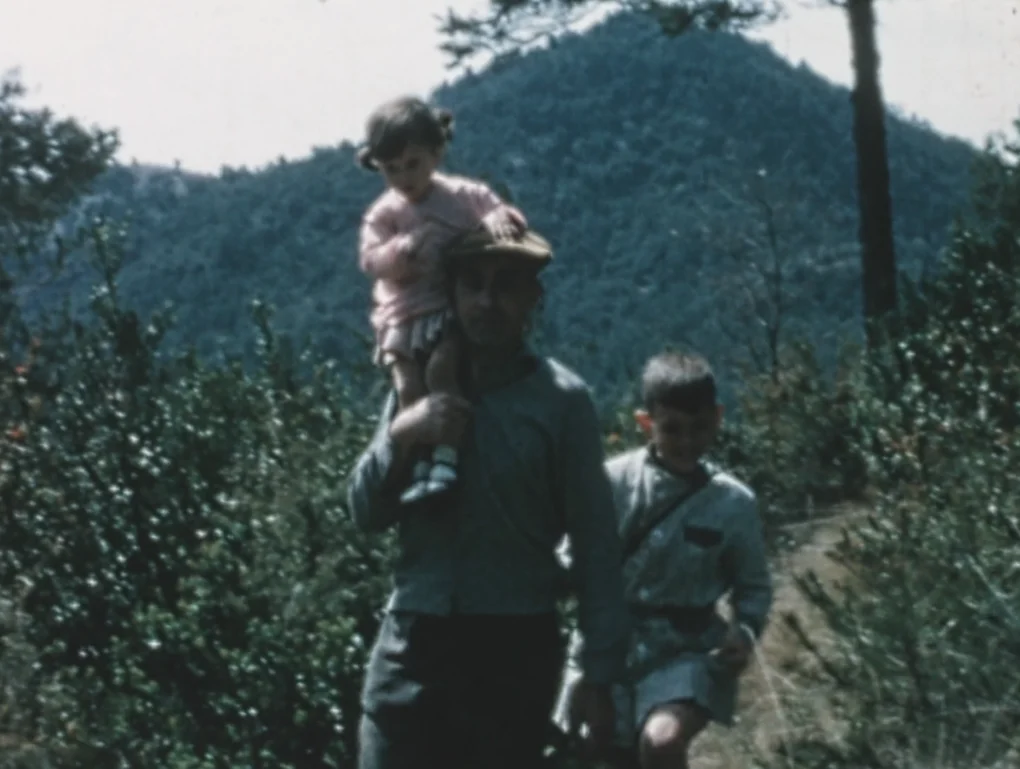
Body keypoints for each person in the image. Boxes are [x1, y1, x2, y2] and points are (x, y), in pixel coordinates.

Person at [347, 226, 631, 769]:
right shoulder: (419, 383)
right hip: (412, 647)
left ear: (532, 297)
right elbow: (364, 512)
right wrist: (404, 434)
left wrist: (599, 675)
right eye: (472, 284)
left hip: (512, 653)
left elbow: (596, 544)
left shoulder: (561, 402)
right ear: (451, 294)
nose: (486, 301)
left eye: (505, 285)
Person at [559, 351, 773, 769]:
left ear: (718, 417)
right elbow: (572, 563)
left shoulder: (733, 503)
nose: (687, 442)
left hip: (687, 649)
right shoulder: (610, 483)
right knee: (593, 751)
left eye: (700, 427)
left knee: (662, 743)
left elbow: (753, 587)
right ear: (646, 423)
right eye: (672, 429)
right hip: (606, 645)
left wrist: (744, 631)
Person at [357, 95, 527, 505]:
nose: (404, 177)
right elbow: (370, 260)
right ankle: (419, 462)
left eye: (412, 163)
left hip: (443, 309)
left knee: (441, 372)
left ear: (437, 152)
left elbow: (502, 213)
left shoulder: (462, 195)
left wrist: (497, 219)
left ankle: (446, 458)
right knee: (408, 388)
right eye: (391, 168)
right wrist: (403, 249)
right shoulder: (384, 214)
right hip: (401, 317)